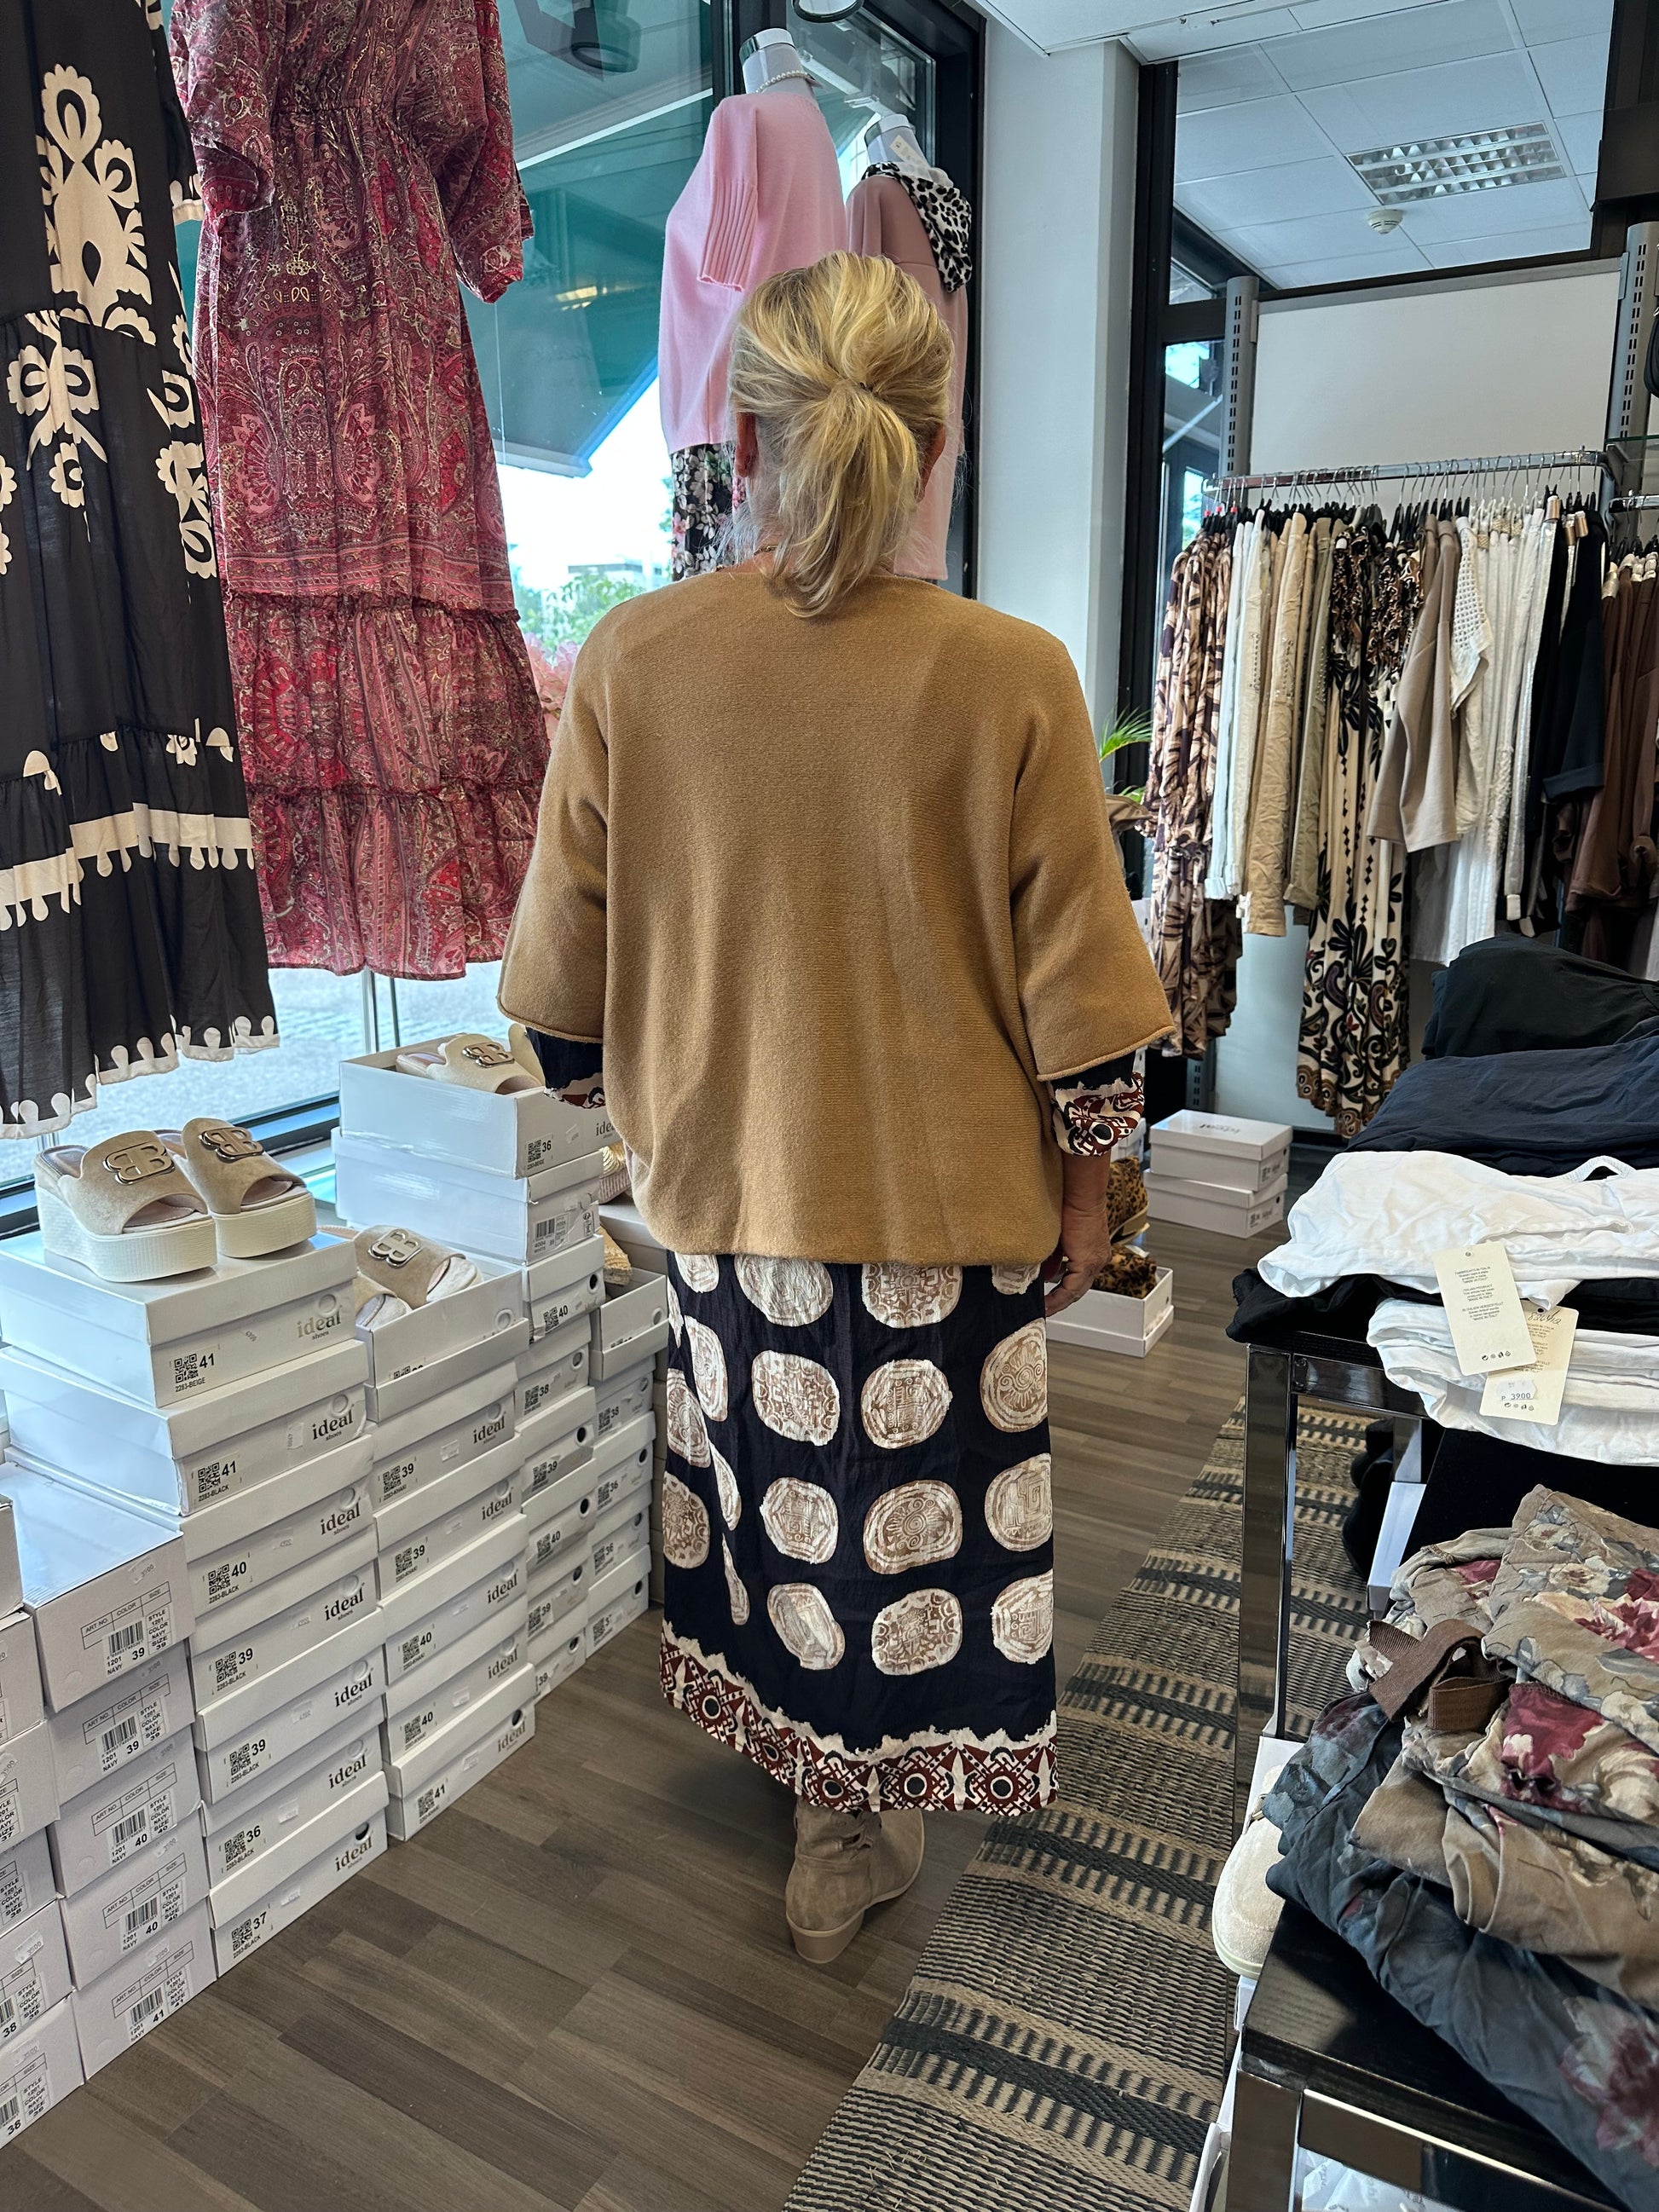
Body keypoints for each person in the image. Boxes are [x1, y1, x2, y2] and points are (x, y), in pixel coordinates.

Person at [500, 251, 1173, 1965]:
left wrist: (648, 1093)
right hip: (951, 1205)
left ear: (740, 437)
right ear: (934, 445)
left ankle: (816, 1793)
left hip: (731, 1195)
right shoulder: (1009, 672)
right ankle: (858, 1817)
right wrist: (1091, 1198)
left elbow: (559, 998)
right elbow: (1084, 1002)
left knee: (774, 1500)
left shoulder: (634, 660)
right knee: (923, 1522)